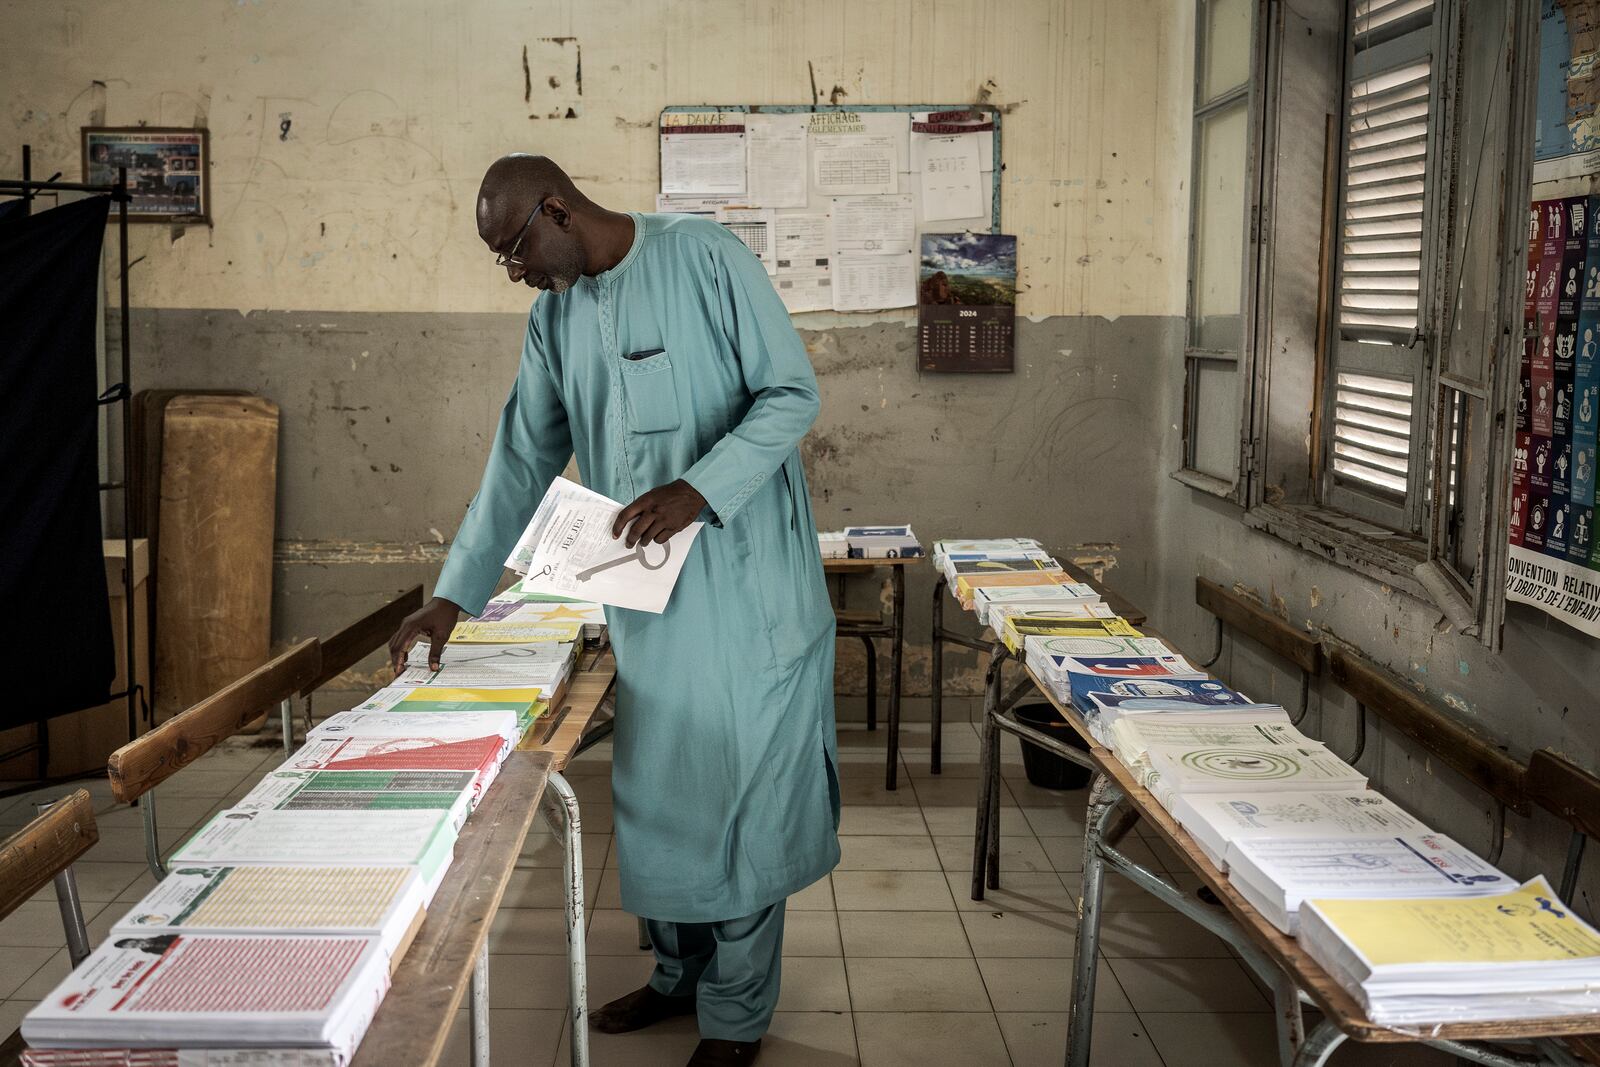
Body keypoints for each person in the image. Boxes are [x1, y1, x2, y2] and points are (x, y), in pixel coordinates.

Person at [387, 155, 840, 1067]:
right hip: (650, 604)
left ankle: (736, 1016)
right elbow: (521, 458)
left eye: (514, 249)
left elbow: (792, 393)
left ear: (556, 209)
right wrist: (451, 595)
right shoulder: (555, 318)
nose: (514, 272)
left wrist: (698, 489)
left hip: (749, 591)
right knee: (659, 799)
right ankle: (678, 977)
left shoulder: (705, 256)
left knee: (742, 803)